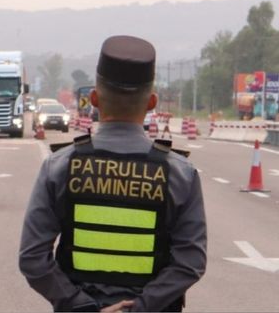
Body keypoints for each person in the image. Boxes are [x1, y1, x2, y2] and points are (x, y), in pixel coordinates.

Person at [19, 35, 207, 312]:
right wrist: (140, 307)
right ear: (152, 102)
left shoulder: (59, 167)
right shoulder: (180, 173)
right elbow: (190, 262)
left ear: (94, 98)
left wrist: (81, 306)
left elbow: (33, 258)